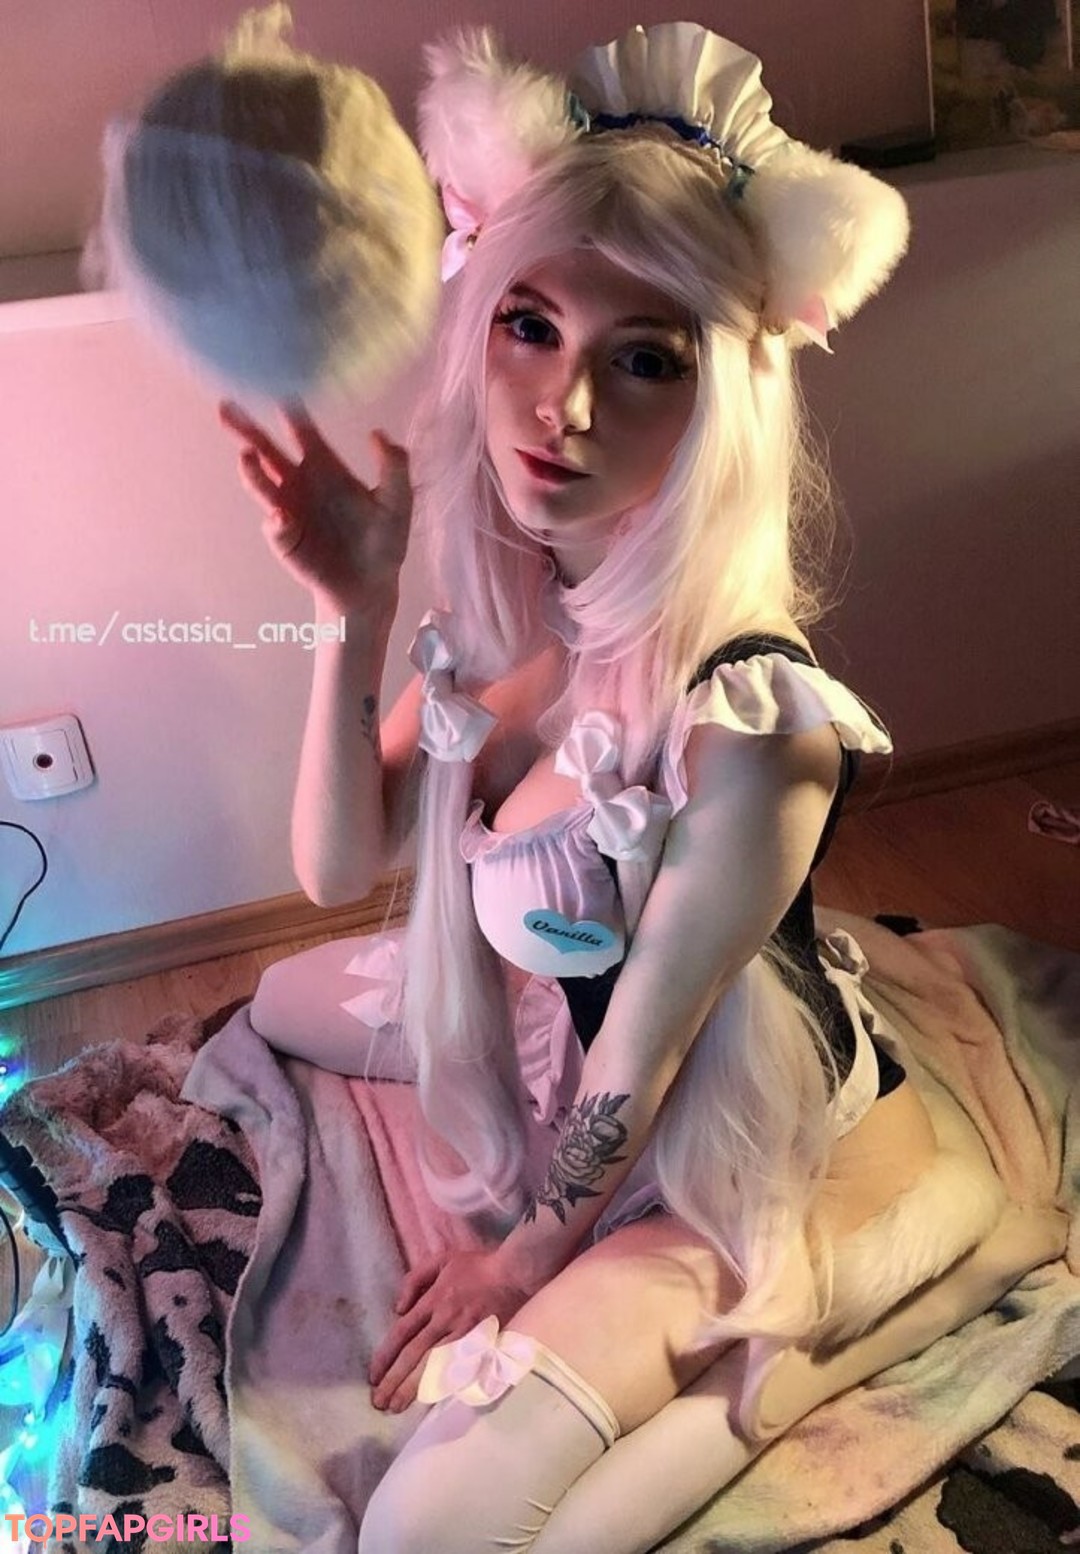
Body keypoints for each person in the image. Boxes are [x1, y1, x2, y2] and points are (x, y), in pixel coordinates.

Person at [222, 22, 1009, 1552]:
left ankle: (849, 1318)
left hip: (721, 1136)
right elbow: (332, 866)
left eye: (642, 358)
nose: (561, 406)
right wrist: (351, 617)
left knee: (432, 1527)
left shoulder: (754, 720)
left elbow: (635, 1075)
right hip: (581, 1034)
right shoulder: (512, 613)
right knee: (276, 998)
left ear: (722, 400)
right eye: (530, 326)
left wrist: (511, 1259)